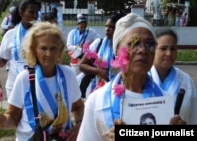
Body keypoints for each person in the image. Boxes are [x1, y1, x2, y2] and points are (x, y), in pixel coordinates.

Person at [77, 13, 187, 141]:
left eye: (149, 44)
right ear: (117, 51)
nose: (143, 50)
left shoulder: (167, 101)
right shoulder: (96, 101)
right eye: (133, 43)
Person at [0, 22, 84, 141]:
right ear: (34, 50)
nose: (48, 54)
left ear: (60, 50)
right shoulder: (24, 78)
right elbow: (14, 116)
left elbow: (78, 106)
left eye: (53, 48)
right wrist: (4, 121)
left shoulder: (68, 74)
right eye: (43, 48)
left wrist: (79, 125)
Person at [0, 0, 40, 99]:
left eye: (36, 13)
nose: (35, 16)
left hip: (37, 85)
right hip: (14, 85)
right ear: (21, 13)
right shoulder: (10, 35)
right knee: (14, 114)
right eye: (31, 12)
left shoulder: (42, 35)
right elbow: (3, 59)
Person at [150, 28, 197, 124]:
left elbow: (194, 117)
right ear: (153, 50)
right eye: (163, 48)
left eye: (173, 49)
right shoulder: (142, 79)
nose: (169, 53)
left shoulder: (186, 80)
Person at [77, 13, 123, 99]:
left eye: (111, 27)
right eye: (106, 26)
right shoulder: (98, 43)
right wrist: (99, 71)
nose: (107, 29)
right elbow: (82, 65)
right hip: (97, 87)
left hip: (117, 89)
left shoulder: (124, 48)